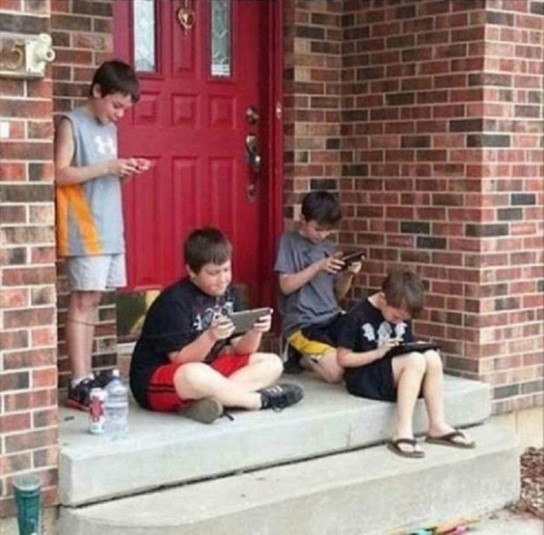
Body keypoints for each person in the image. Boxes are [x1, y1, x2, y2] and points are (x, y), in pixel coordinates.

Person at [129, 227, 304, 424]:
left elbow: (242, 350)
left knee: (272, 363)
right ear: (191, 271)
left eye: (226, 270)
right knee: (195, 373)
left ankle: (210, 400)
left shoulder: (230, 293)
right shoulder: (173, 301)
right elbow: (180, 360)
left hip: (208, 371)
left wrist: (256, 331)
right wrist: (210, 336)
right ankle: (257, 400)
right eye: (213, 273)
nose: (222, 279)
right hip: (159, 379)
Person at [55, 60, 151, 410]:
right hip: (84, 224)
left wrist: (123, 171)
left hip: (110, 224)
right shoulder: (72, 123)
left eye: (125, 109)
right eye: (116, 105)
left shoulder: (109, 129)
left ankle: (86, 377)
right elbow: (59, 174)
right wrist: (108, 166)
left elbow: (101, 176)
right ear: (97, 91)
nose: (119, 115)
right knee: (83, 300)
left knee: (94, 299)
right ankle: (78, 380)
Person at [336, 269, 475, 458]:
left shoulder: (400, 311)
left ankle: (437, 425)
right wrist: (377, 353)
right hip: (365, 376)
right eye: (396, 317)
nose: (399, 321)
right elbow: (343, 358)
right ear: (383, 298)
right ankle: (402, 432)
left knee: (431, 356)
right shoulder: (358, 313)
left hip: (394, 372)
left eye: (403, 319)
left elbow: (405, 345)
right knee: (415, 361)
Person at [274, 190, 363, 383]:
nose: (322, 235)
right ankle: (298, 353)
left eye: (327, 230)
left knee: (364, 346)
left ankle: (310, 356)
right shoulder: (288, 242)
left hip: (332, 316)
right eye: (318, 229)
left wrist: (349, 274)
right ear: (303, 219)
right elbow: (285, 286)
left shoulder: (328, 247)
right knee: (336, 373)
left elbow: (337, 295)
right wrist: (317, 266)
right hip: (303, 322)